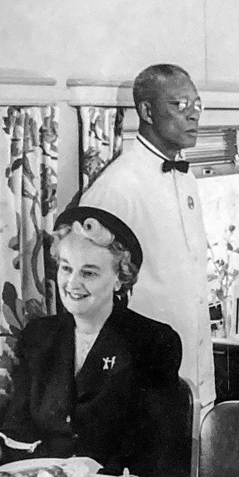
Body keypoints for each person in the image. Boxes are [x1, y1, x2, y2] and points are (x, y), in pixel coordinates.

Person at [0, 206, 187, 477]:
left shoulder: (153, 341)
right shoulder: (37, 336)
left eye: (89, 273)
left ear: (120, 277)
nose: (72, 283)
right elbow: (18, 428)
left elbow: (157, 450)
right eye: (66, 268)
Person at [82, 63, 214, 408]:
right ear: (146, 111)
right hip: (143, 376)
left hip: (196, 365)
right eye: (179, 105)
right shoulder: (117, 188)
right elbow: (89, 292)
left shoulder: (186, 178)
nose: (193, 115)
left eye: (197, 105)